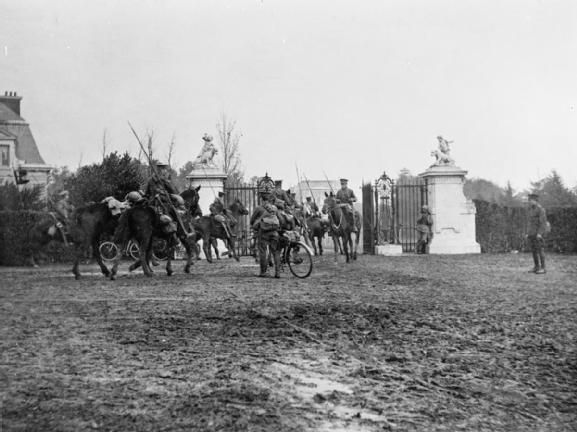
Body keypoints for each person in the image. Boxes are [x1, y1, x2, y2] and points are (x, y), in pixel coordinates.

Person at [250, 191, 281, 278]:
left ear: (261, 199)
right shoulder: (274, 208)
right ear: (270, 199)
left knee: (263, 252)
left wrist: (255, 225)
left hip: (263, 233)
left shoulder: (259, 208)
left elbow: (252, 221)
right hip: (274, 232)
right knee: (276, 252)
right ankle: (277, 273)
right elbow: (280, 219)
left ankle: (263, 272)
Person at [526, 193, 548, 274]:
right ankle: (536, 267)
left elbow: (543, 223)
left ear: (535, 201)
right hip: (532, 233)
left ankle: (543, 268)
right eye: (529, 200)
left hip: (538, 234)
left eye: (531, 200)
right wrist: (528, 233)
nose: (530, 202)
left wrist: (540, 233)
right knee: (534, 251)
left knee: (540, 250)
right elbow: (530, 222)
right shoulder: (530, 209)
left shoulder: (540, 209)